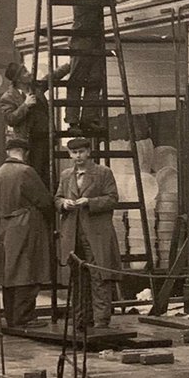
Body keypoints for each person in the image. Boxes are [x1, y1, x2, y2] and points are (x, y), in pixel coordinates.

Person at [66, 0, 153, 134]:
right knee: (77, 81)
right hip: (82, 42)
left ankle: (88, 119)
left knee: (95, 80)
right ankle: (73, 122)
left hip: (94, 41)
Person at [55, 137, 120, 333]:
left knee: (99, 277)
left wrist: (89, 202)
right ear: (69, 154)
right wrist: (63, 204)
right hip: (73, 235)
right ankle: (80, 320)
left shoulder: (103, 173)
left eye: (81, 152)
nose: (78, 157)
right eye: (74, 153)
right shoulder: (66, 175)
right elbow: (57, 198)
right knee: (77, 279)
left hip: (96, 234)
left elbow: (112, 198)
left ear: (89, 152)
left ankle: (101, 321)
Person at [0, 138, 52, 329]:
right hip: (26, 226)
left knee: (10, 272)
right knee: (28, 270)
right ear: (24, 152)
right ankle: (24, 317)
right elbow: (44, 201)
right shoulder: (26, 171)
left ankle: (12, 317)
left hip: (5, 226)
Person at [0, 61, 70, 180]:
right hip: (29, 141)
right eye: (25, 72)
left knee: (48, 174)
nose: (29, 73)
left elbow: (52, 76)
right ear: (18, 79)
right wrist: (25, 105)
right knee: (33, 174)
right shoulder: (8, 97)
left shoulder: (36, 87)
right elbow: (10, 119)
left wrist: (69, 65)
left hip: (46, 138)